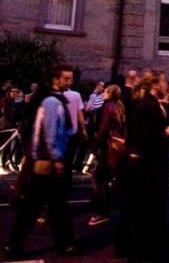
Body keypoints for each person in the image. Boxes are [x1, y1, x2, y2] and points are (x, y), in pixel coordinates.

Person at [6, 64, 77, 259]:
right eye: (66, 78)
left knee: (47, 206)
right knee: (47, 207)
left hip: (44, 162)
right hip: (49, 164)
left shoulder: (49, 99)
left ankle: (16, 246)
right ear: (55, 79)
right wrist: (57, 159)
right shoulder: (52, 102)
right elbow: (51, 133)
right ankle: (64, 245)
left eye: (70, 78)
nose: (69, 82)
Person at [115, 70, 169, 263]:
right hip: (147, 167)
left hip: (151, 165)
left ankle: (140, 249)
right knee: (146, 213)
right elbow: (144, 137)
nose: (166, 85)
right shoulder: (147, 106)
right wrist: (166, 132)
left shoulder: (154, 104)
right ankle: (142, 252)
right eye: (164, 81)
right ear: (154, 84)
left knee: (143, 212)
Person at [88, 84, 126, 227]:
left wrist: (94, 147)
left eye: (105, 92)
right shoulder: (117, 106)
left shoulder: (108, 106)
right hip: (115, 145)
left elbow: (103, 128)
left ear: (109, 94)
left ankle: (102, 211)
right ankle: (110, 205)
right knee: (107, 177)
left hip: (108, 146)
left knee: (98, 178)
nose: (103, 94)